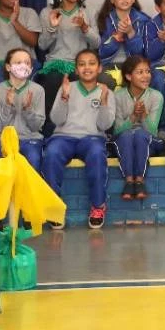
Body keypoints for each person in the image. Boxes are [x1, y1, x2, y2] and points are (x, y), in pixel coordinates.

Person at [43, 49, 113, 229]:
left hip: (92, 138)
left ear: (99, 68)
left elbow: (104, 125)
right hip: (64, 137)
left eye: (91, 63)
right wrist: (64, 97)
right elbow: (57, 120)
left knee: (97, 154)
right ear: (76, 69)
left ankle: (98, 206)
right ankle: (54, 207)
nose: (87, 68)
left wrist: (104, 102)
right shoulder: (67, 87)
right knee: (52, 153)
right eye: (82, 64)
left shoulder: (106, 91)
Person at [37, 0, 100, 129]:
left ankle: (83, 127)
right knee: (53, 80)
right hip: (55, 62)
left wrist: (85, 27)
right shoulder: (48, 12)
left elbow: (96, 44)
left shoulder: (88, 11)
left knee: (79, 80)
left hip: (80, 64)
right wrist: (52, 27)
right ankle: (51, 129)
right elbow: (42, 45)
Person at [112, 55, 162, 203]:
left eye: (148, 71)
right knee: (126, 135)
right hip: (124, 141)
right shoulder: (117, 96)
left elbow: (152, 131)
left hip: (148, 140)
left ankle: (139, 181)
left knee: (140, 134)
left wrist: (144, 115)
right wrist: (133, 116)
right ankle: (129, 181)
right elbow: (117, 130)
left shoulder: (156, 96)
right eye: (140, 72)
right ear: (128, 76)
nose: (146, 76)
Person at [0, 48, 45, 166]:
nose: (23, 66)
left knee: (34, 160)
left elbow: (36, 126)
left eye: (27, 63)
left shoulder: (38, 90)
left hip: (29, 138)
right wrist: (8, 105)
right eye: (18, 62)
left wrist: (27, 109)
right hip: (2, 138)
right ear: (8, 67)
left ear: (31, 68)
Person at [96, 0, 150, 85]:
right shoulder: (104, 19)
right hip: (108, 64)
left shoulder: (143, 20)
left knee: (136, 79)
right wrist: (118, 36)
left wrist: (130, 33)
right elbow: (102, 53)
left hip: (134, 66)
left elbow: (141, 54)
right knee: (104, 78)